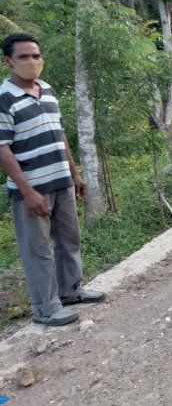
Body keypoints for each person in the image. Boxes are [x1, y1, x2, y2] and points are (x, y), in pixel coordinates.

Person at [0, 33, 105, 326]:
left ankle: (71, 290)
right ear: (9, 61)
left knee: (69, 239)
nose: (32, 62)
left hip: (61, 180)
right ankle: (45, 308)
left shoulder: (46, 90)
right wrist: (28, 191)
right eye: (24, 57)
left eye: (36, 56)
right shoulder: (4, 98)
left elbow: (58, 135)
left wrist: (74, 173)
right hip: (32, 188)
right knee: (38, 251)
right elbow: (3, 149)